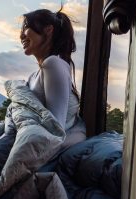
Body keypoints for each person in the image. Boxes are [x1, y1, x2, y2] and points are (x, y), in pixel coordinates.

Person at [20, 8, 86, 143]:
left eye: (26, 27)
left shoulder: (53, 64)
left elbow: (55, 131)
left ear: (48, 30)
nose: (21, 36)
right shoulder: (34, 76)